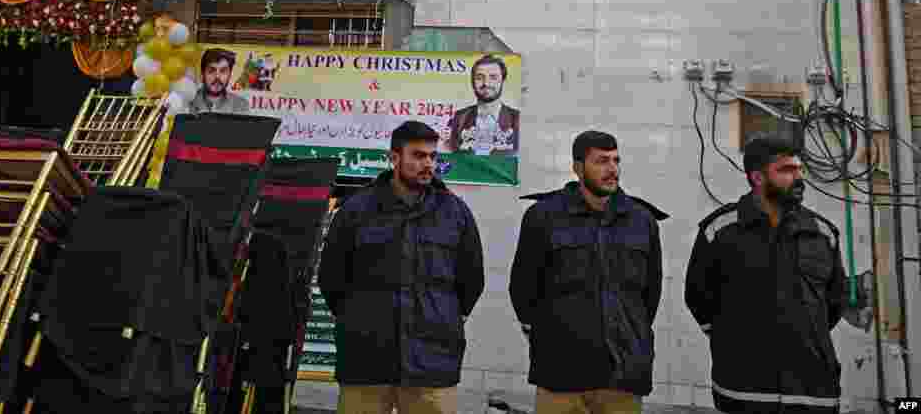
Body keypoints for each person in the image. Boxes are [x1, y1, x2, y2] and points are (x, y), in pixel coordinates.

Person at [318, 120, 485, 414]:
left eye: (433, 156)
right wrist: (359, 320)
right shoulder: (356, 210)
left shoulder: (454, 212)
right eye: (418, 156)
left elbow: (471, 281)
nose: (428, 164)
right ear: (394, 158)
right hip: (366, 359)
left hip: (432, 361)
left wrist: (440, 315)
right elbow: (332, 279)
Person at [684, 135, 847, 414]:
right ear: (757, 177)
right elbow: (699, 298)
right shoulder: (720, 232)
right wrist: (732, 337)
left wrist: (800, 332)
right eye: (786, 170)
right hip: (744, 390)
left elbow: (832, 305)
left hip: (813, 392)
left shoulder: (822, 234)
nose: (798, 178)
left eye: (799, 169)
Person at [509, 130, 663, 414]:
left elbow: (649, 295)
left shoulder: (642, 221)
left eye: (616, 161)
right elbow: (523, 289)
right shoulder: (543, 217)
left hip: (623, 373)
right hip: (561, 371)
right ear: (578, 168)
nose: (612, 169)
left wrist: (628, 330)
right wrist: (548, 335)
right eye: (601, 161)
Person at [443, 54, 520, 156]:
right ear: (472, 82)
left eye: (493, 77)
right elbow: (452, 154)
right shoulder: (460, 117)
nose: (486, 83)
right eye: (479, 78)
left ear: (503, 81)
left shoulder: (517, 118)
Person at [190, 48, 250, 114]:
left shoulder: (241, 105)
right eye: (211, 71)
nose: (217, 76)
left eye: (223, 71)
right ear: (202, 73)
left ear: (230, 74)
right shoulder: (189, 101)